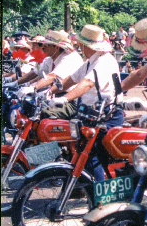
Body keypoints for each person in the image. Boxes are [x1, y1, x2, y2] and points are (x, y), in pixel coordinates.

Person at [49, 24, 123, 180]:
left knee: (92, 155)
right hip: (90, 114)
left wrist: (64, 98)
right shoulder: (90, 61)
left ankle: (100, 196)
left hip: (106, 115)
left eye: (81, 44)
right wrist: (51, 91)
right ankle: (83, 188)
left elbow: (87, 83)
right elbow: (72, 79)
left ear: (86, 45)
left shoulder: (104, 61)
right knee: (82, 152)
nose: (80, 47)